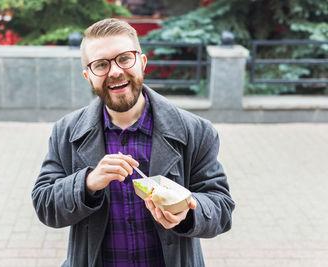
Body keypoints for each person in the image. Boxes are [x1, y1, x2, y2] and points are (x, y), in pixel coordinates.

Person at [32, 18, 235, 267]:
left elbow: (221, 207)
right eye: (101, 64)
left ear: (142, 62)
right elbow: (44, 204)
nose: (115, 71)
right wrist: (87, 183)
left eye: (124, 58)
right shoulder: (66, 131)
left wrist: (187, 213)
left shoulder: (195, 130)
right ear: (88, 76)